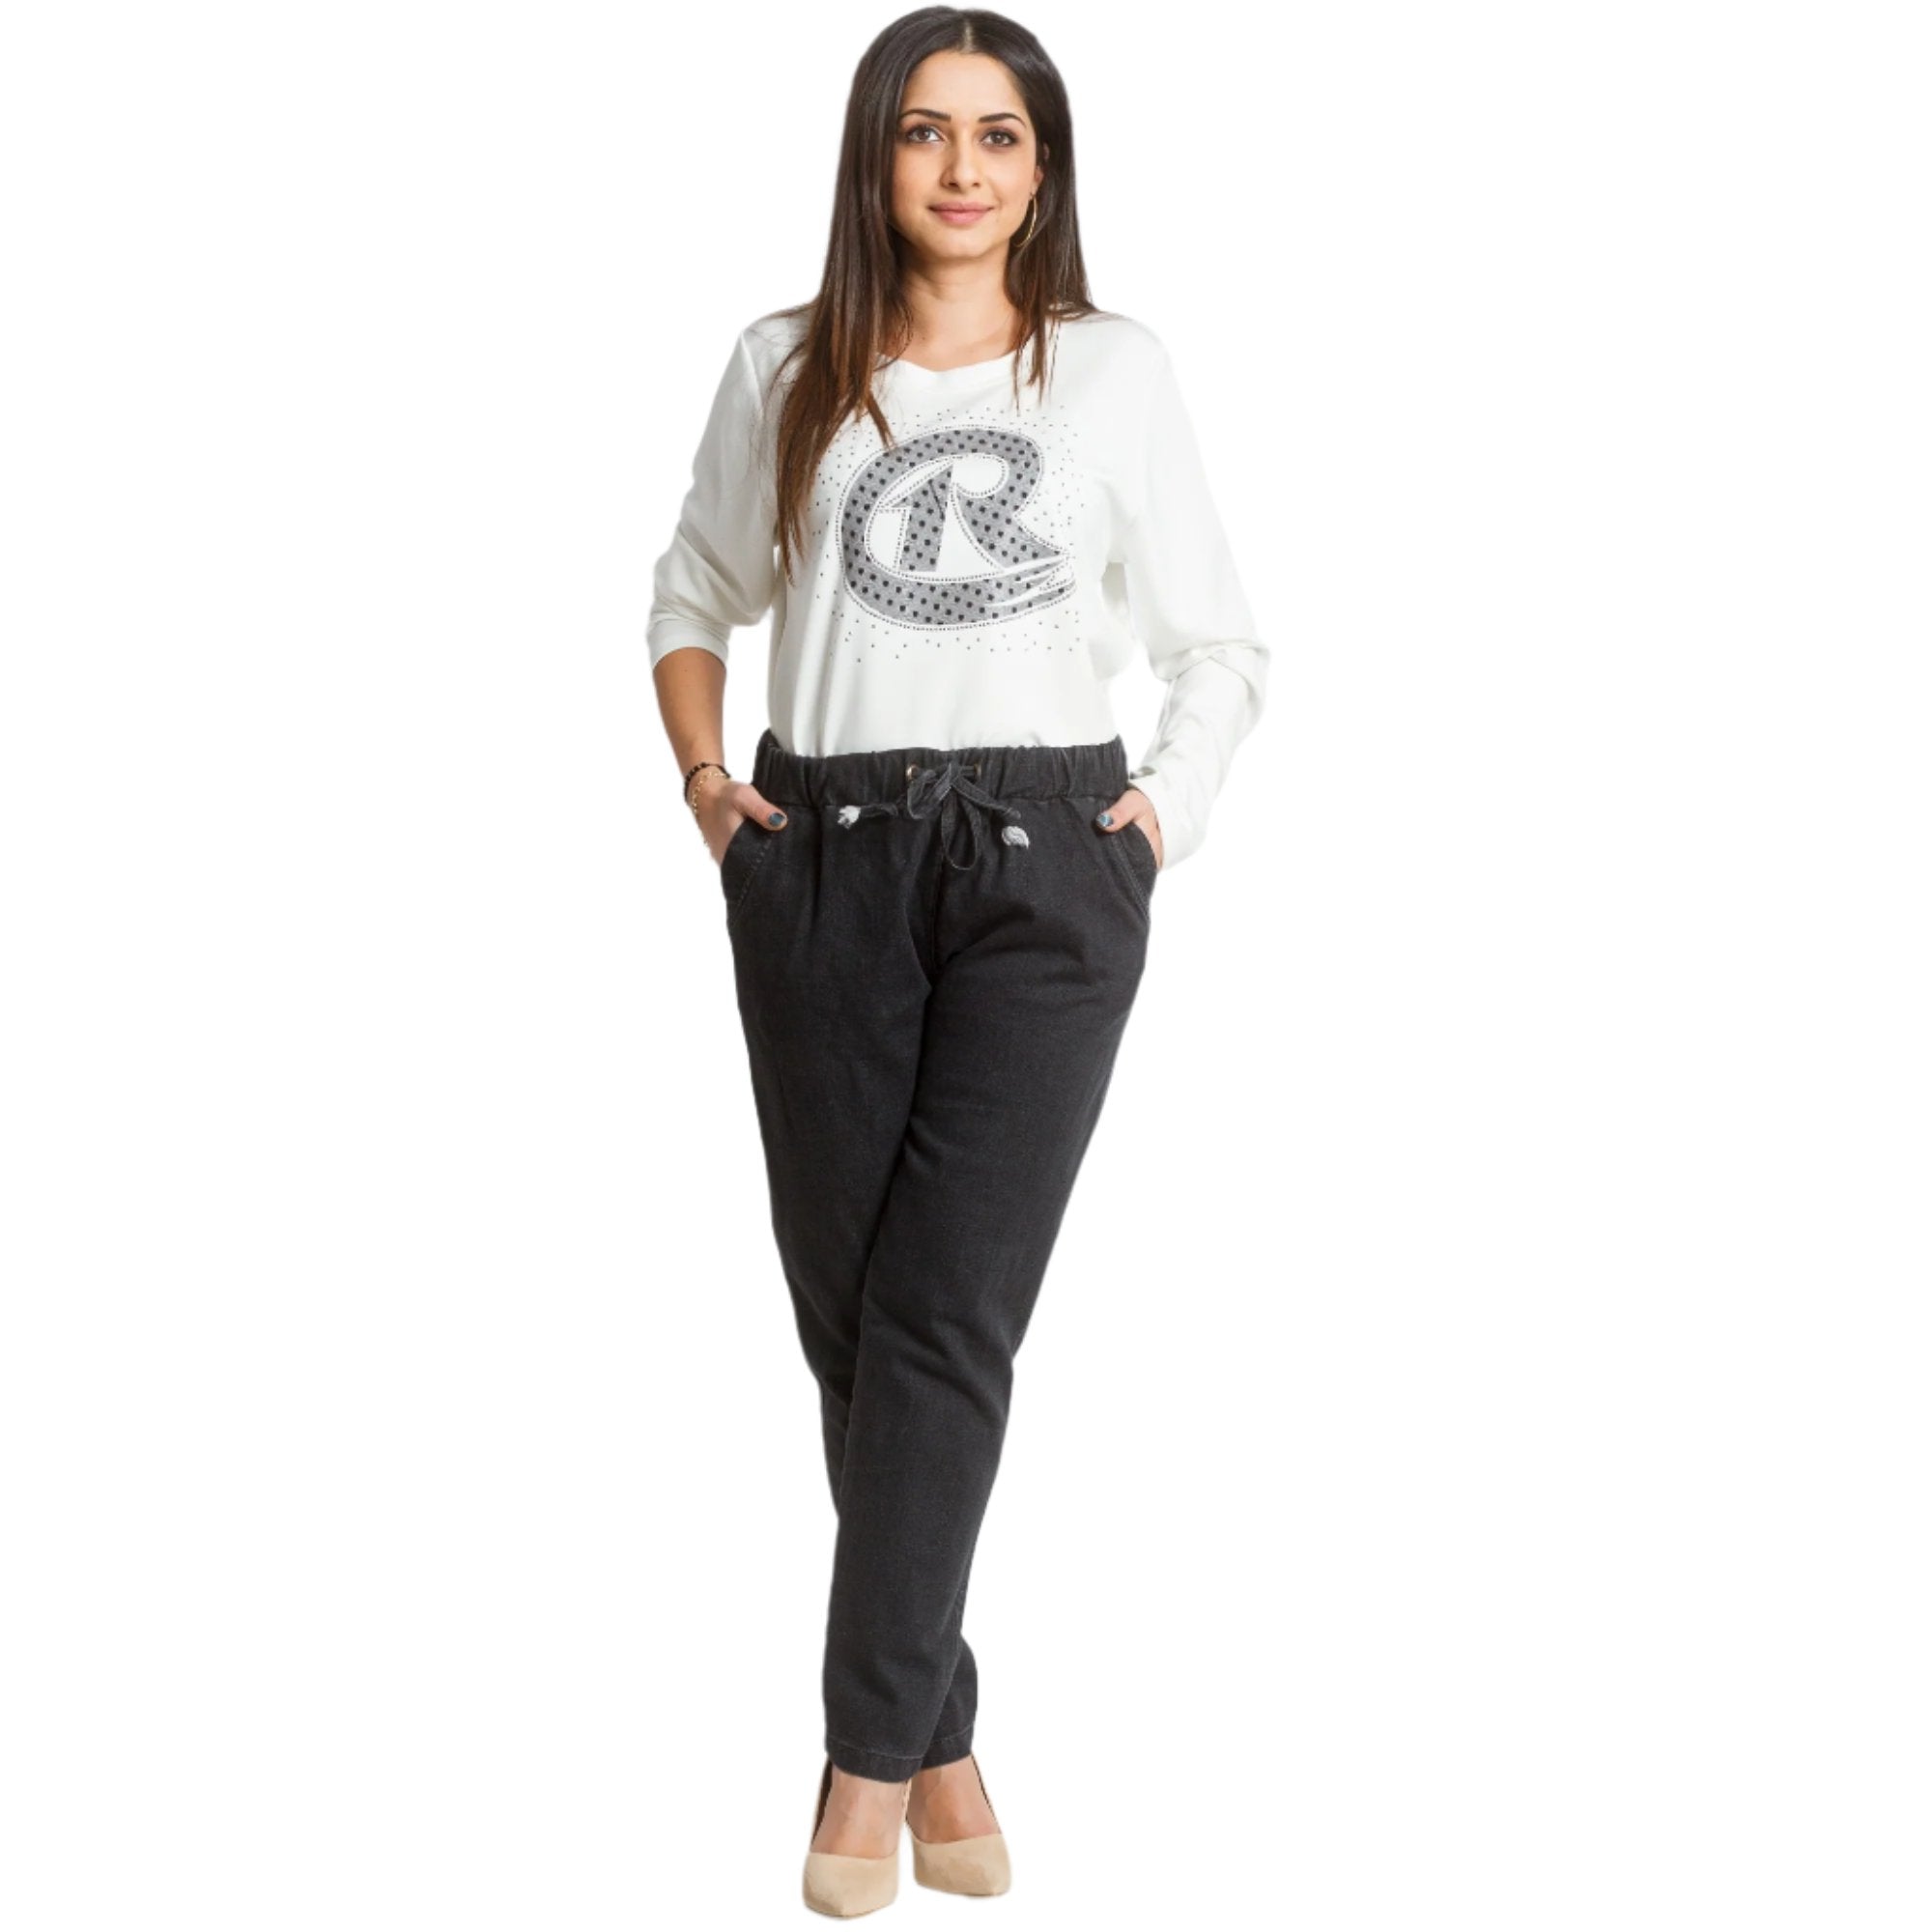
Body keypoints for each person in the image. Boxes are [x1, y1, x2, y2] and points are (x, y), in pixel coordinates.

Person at [646, 10, 1268, 1915]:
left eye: (999, 134)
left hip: (1042, 867)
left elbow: (1221, 644)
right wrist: (709, 792)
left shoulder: (1112, 370)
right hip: (821, 856)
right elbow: (691, 594)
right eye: (926, 132)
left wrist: (1152, 819)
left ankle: (858, 1765)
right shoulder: (785, 364)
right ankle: (947, 1739)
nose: (963, 168)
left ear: (1043, 166)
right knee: (857, 1322)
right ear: (877, 157)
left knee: (943, 1314)